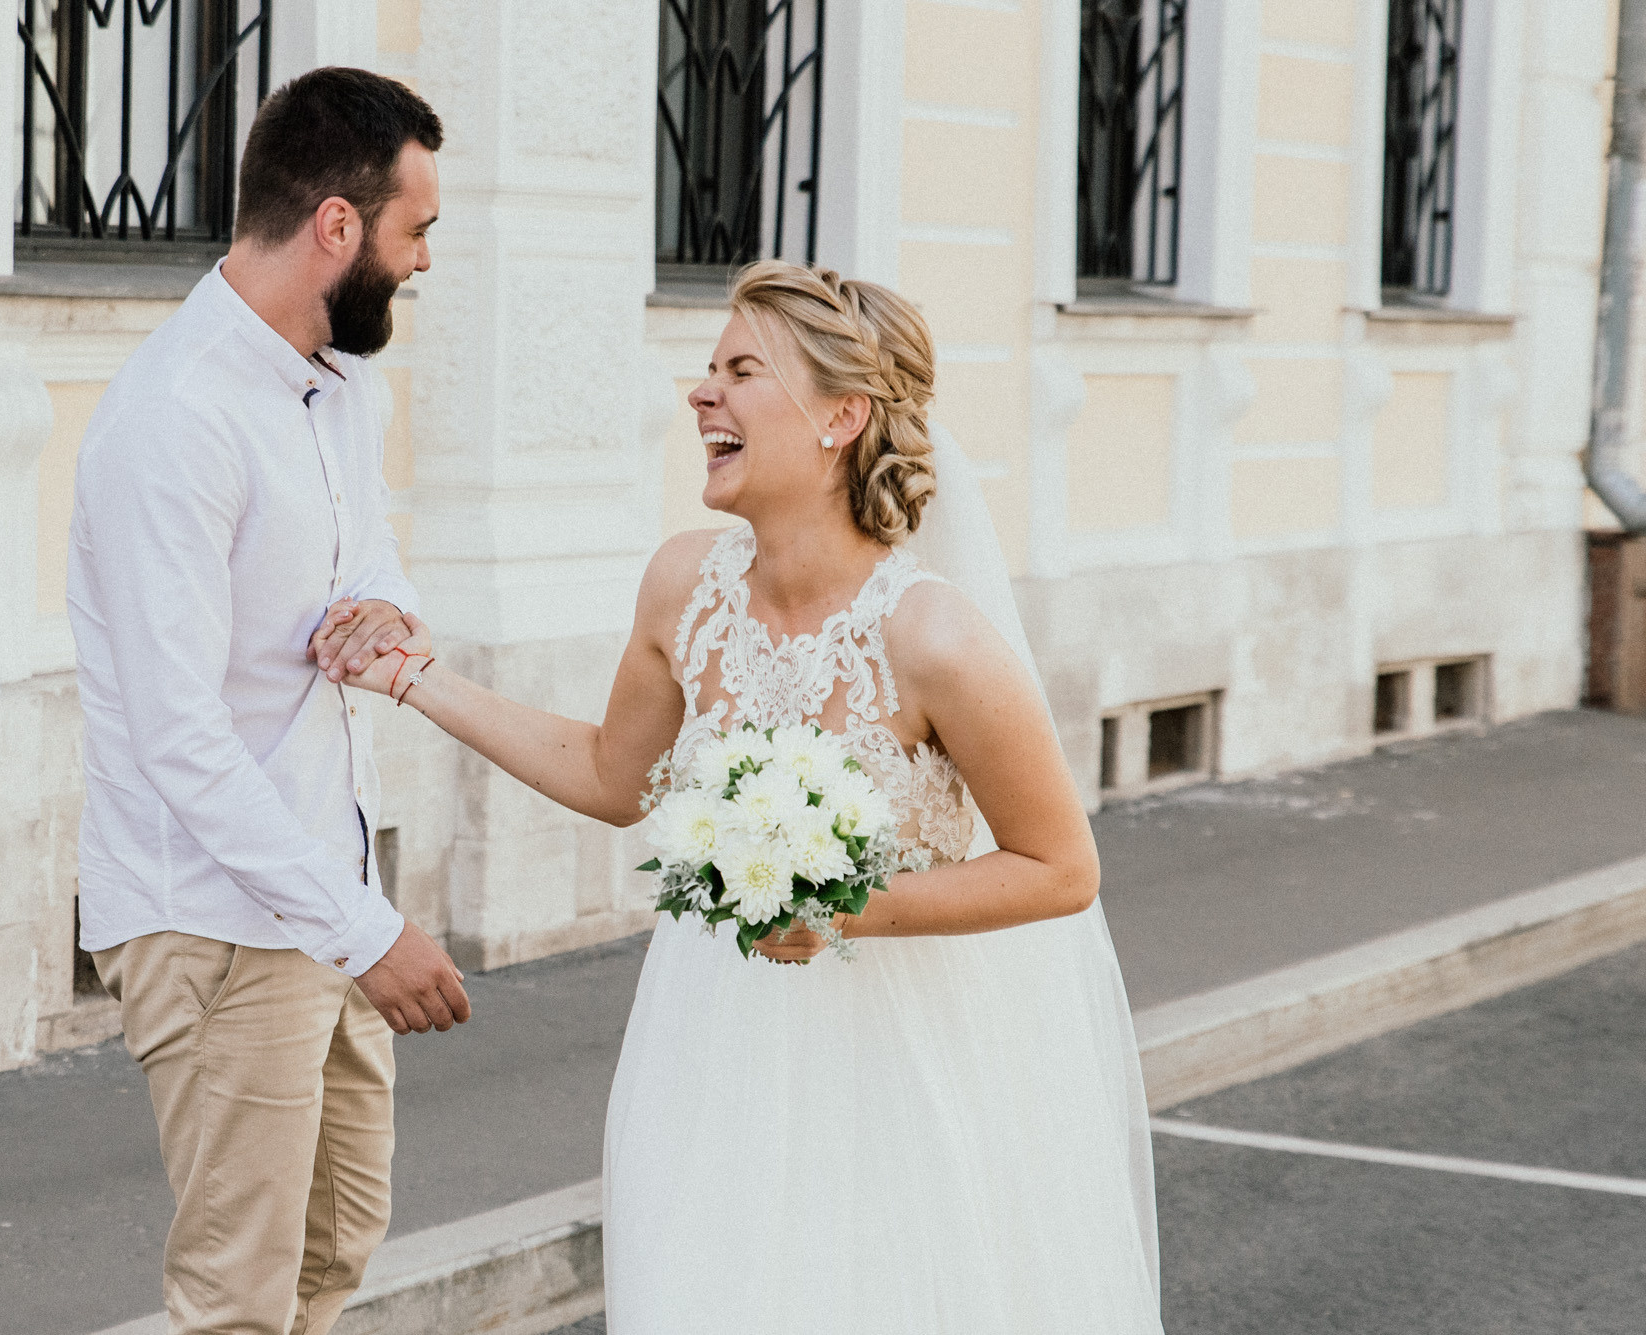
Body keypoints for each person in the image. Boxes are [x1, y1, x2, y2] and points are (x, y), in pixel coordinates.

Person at [323, 261, 1165, 1331]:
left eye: (739, 370)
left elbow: (1059, 869)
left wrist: (837, 908)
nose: (700, 393)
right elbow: (606, 775)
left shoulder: (934, 637)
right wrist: (413, 679)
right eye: (706, 368)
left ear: (840, 418)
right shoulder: (685, 584)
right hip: (708, 1037)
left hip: (888, 1057)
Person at [67, 68, 472, 1335]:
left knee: (335, 1250)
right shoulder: (176, 418)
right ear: (338, 228)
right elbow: (179, 738)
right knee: (236, 1299)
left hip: (316, 891)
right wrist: (366, 933)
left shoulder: (342, 384)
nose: (420, 264)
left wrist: (390, 615)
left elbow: (369, 563)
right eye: (415, 232)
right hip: (215, 922)